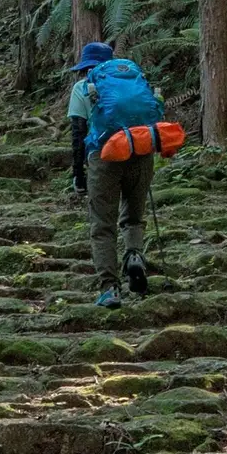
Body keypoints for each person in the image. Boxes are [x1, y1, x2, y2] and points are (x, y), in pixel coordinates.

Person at [66, 42, 152, 308]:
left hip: (104, 157)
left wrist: (78, 174)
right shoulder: (134, 80)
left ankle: (110, 288)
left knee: (103, 225)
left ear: (86, 67)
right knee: (134, 216)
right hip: (141, 152)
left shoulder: (83, 88)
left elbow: (78, 134)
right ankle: (135, 256)